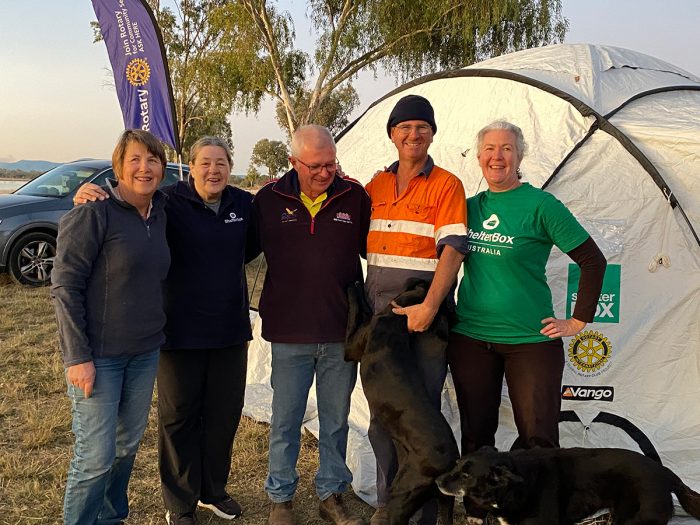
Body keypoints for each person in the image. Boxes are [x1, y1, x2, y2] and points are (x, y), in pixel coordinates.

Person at [73, 136, 258, 525]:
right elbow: (127, 203)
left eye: (221, 163)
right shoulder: (168, 202)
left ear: (230, 166)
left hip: (229, 329)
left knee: (224, 416)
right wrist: (89, 193)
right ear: (190, 168)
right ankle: (180, 502)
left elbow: (253, 246)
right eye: (205, 163)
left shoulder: (243, 204)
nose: (213, 170)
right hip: (177, 331)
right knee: (178, 418)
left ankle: (213, 491)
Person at [447, 120, 607, 472]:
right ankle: (478, 511)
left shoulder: (541, 205)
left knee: (540, 440)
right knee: (475, 439)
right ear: (478, 157)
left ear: (519, 156)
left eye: (506, 148)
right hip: (472, 339)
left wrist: (579, 319)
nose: (497, 156)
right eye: (489, 149)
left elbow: (592, 260)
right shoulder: (467, 207)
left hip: (531, 342)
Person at [254, 125, 371, 525]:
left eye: (331, 164)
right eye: (316, 166)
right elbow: (235, 242)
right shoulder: (269, 199)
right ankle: (280, 498)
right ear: (294, 162)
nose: (326, 173)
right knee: (285, 420)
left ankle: (331, 493)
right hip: (289, 333)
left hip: (341, 332)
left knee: (335, 421)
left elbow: (380, 246)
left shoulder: (354, 195)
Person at [52, 129, 170, 525]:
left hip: (145, 352)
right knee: (94, 459)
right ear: (117, 166)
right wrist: (77, 357)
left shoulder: (161, 212)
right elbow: (65, 285)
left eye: (152, 160)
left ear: (162, 168)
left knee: (126, 448)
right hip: (99, 357)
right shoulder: (93, 212)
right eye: (134, 159)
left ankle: (110, 518)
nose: (144, 167)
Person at [364, 95, 468, 525]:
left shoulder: (446, 184)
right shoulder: (376, 185)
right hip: (382, 323)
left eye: (422, 127)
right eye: (404, 127)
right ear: (391, 134)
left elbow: (454, 249)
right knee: (382, 418)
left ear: (432, 134)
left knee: (420, 418)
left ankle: (424, 510)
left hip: (424, 319)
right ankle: (392, 502)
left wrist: (429, 305)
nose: (413, 134)